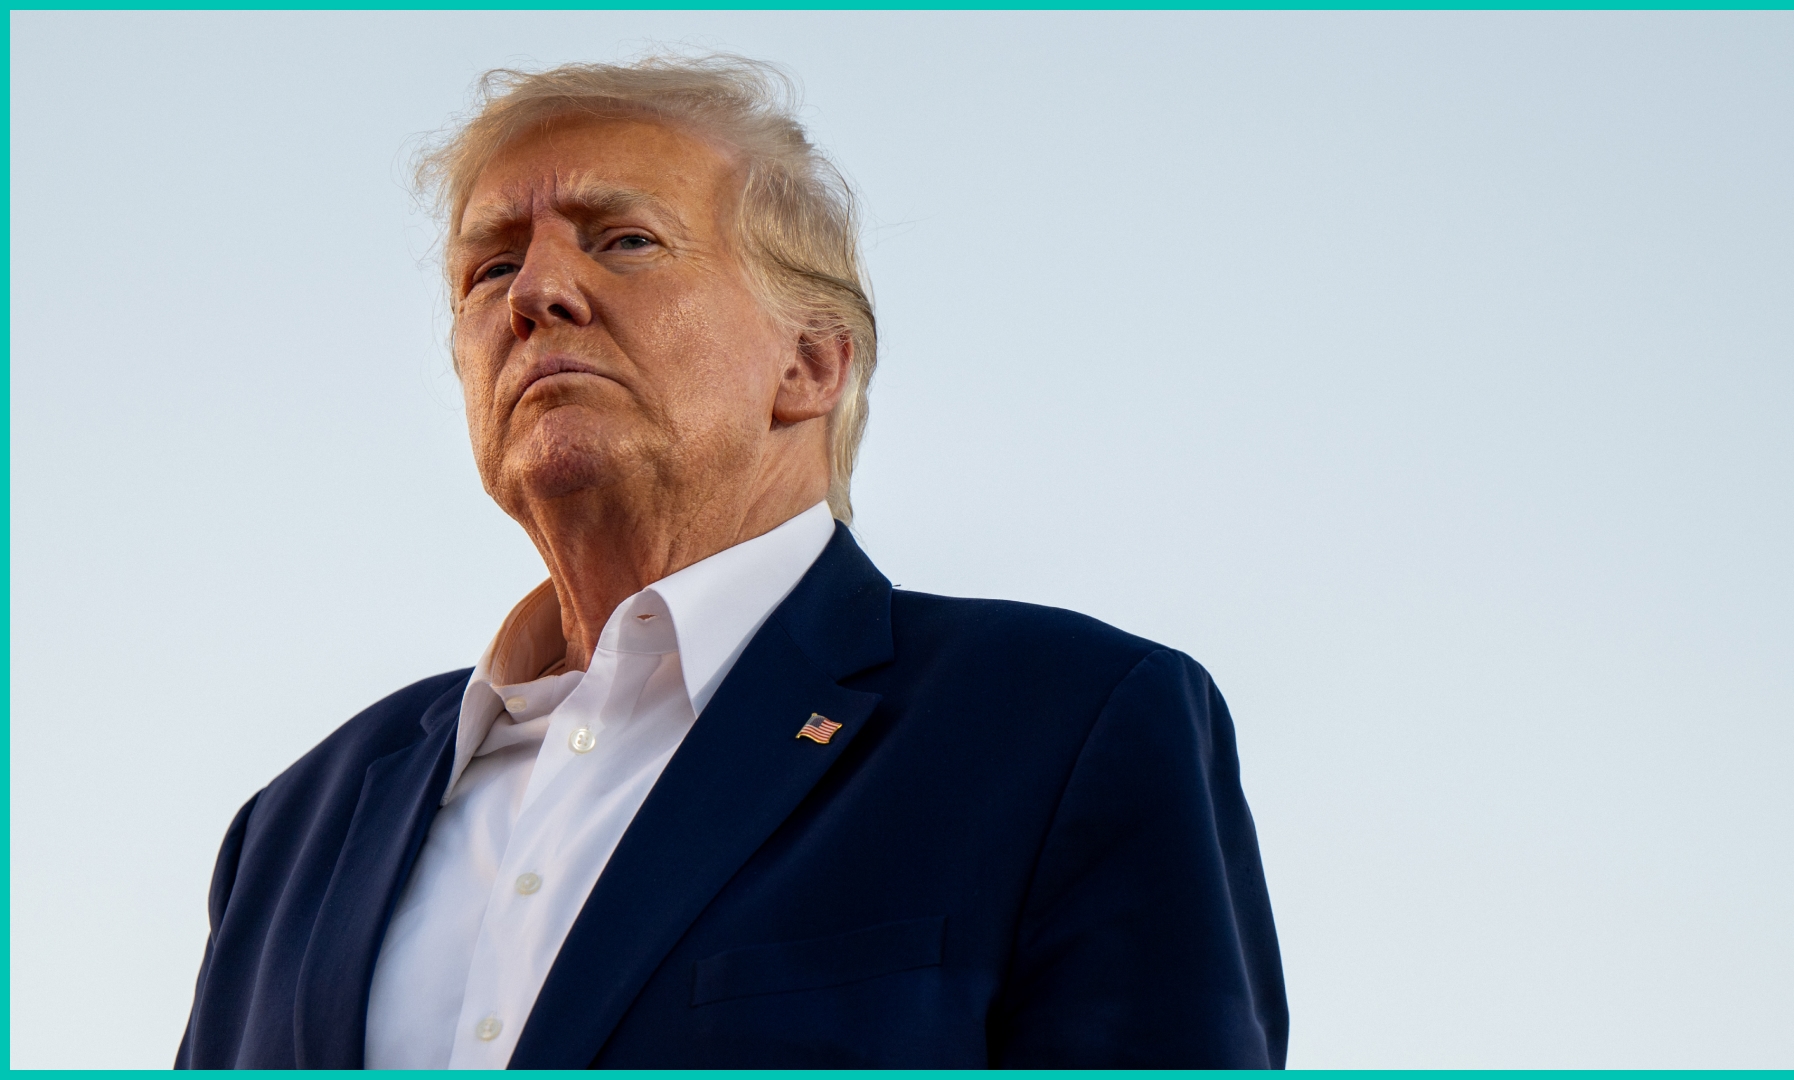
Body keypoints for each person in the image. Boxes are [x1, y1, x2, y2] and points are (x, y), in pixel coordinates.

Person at [174, 54, 1287, 1069]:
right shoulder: (293, 827)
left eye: (624, 240)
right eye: (489, 268)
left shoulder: (1066, 725)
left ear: (810, 364)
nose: (534, 295)